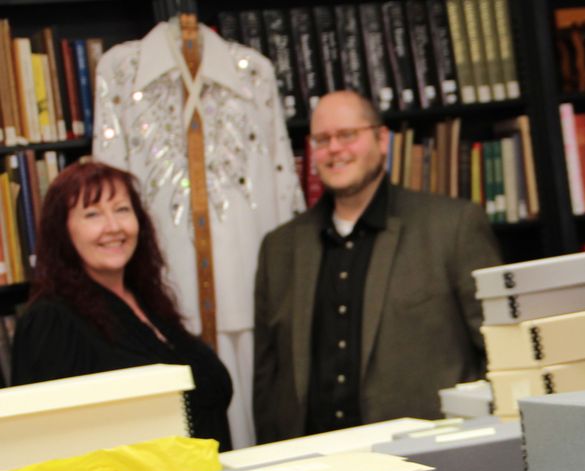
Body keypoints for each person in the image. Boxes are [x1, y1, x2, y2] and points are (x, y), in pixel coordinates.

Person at [253, 90, 501, 442]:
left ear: (382, 140)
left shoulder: (452, 226)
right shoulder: (278, 248)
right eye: (322, 140)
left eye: (348, 135)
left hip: (428, 460)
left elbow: (500, 351)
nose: (334, 149)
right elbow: (267, 379)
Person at [11, 161, 233, 451]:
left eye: (122, 209)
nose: (113, 227)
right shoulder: (51, 320)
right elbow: (44, 447)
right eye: (92, 214)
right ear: (63, 231)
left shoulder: (151, 303)